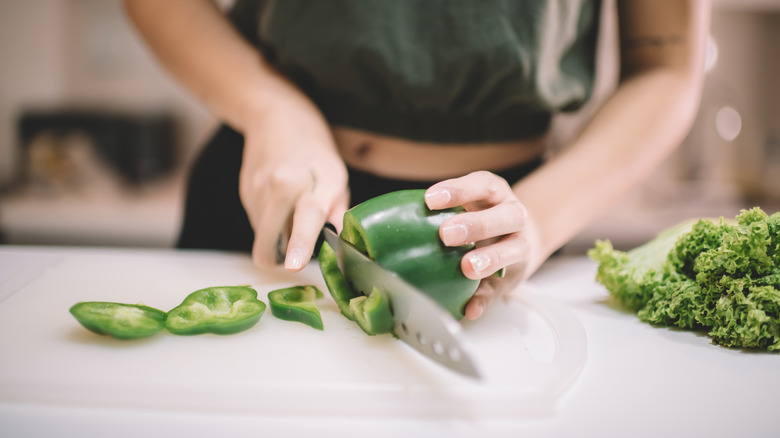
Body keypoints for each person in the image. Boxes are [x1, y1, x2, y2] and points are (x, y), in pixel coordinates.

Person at [124, 0, 710, 320]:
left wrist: (537, 218)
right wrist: (275, 112)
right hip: (275, 187)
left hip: (497, 225)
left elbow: (666, 67)